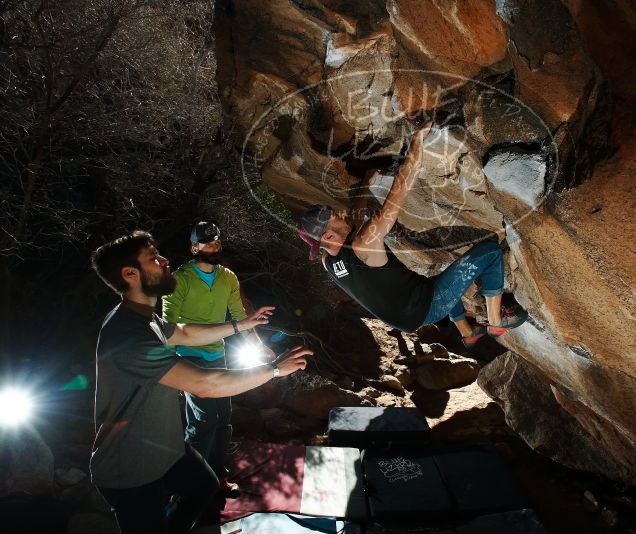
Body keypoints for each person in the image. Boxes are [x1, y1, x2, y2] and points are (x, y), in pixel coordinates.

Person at [90, 231, 310, 534]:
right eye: (154, 258)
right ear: (130, 274)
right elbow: (206, 384)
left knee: (204, 486)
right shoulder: (128, 335)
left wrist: (241, 324)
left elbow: (186, 332)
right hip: (129, 467)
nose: (166, 260)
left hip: (166, 448)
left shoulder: (144, 317)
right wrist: (273, 369)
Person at [298, 122, 527, 348]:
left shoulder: (328, 260)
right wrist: (416, 145)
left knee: (442, 277)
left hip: (408, 314)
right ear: (328, 236)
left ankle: (467, 333)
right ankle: (496, 322)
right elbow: (399, 192)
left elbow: (355, 219)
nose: (340, 213)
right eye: (333, 216)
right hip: (426, 305)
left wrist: (366, 184)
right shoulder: (363, 245)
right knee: (490, 251)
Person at [161, 222, 270, 495]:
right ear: (194, 248)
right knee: (203, 418)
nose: (214, 247)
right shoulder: (180, 279)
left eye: (217, 242)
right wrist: (167, 369)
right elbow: (167, 325)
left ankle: (217, 476)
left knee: (223, 418)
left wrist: (260, 346)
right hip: (188, 357)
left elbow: (240, 318)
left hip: (217, 354)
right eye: (208, 243)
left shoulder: (228, 278)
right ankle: (189, 482)